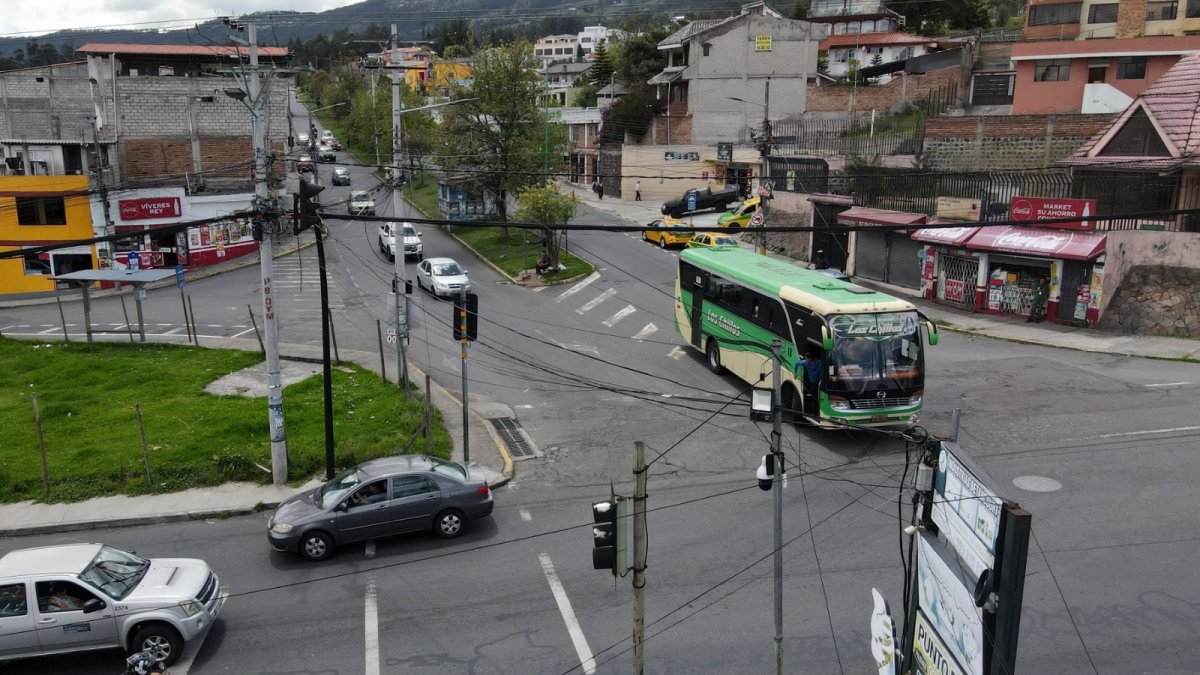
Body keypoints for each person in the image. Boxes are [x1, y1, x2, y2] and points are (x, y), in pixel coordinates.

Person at [796, 351, 822, 418]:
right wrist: (795, 373)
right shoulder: (805, 362)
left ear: (810, 359)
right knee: (813, 398)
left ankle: (816, 412)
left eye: (806, 358)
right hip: (812, 383)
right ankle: (813, 413)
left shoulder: (819, 362)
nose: (805, 360)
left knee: (817, 398)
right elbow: (797, 363)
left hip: (819, 383)